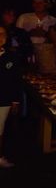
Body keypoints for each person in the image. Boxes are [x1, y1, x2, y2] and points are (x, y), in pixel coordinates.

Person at [0, 25, 21, 168]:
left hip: (3, 99)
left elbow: (15, 80)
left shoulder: (10, 57)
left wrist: (15, 100)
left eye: (3, 34)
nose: (0, 37)